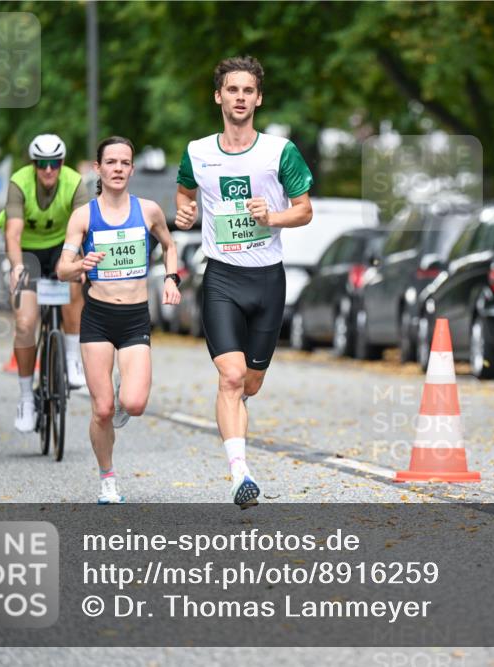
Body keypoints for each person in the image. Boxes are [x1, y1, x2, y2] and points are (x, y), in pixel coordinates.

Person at [175, 55, 313, 509]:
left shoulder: (279, 152)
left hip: (267, 280)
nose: (240, 98)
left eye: (248, 91)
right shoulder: (198, 151)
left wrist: (271, 217)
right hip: (221, 279)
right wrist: (186, 211)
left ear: (258, 98)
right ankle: (240, 474)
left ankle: (238, 432)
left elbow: (304, 209)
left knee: (251, 382)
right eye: (232, 90)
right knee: (230, 377)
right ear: (219, 96)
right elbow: (184, 189)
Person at [57, 136, 180, 504]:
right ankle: (107, 478)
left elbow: (170, 247)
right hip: (97, 316)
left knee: (135, 402)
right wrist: (81, 265)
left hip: (134, 318)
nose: (117, 169)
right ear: (98, 168)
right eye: (110, 162)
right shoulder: (84, 216)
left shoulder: (148, 211)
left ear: (131, 169)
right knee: (102, 408)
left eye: (124, 163)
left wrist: (172, 279)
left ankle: (123, 392)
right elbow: (63, 268)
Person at [0, 134, 90, 433]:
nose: (48, 170)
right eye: (42, 164)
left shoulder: (75, 182)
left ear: (62, 163)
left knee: (75, 282)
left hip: (64, 247)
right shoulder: (19, 183)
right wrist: (17, 267)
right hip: (28, 251)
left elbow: (86, 227)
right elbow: (12, 233)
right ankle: (26, 398)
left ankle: (73, 358)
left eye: (55, 163)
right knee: (25, 323)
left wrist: (81, 262)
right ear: (33, 164)